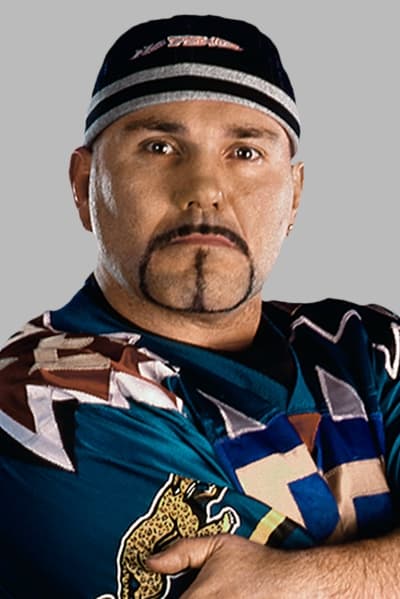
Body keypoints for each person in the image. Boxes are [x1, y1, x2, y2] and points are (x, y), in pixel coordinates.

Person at [0, 13, 399, 598]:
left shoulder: (367, 344)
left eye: (245, 151)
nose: (205, 188)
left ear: (294, 196)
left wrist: (300, 581)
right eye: (159, 147)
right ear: (84, 184)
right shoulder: (41, 410)